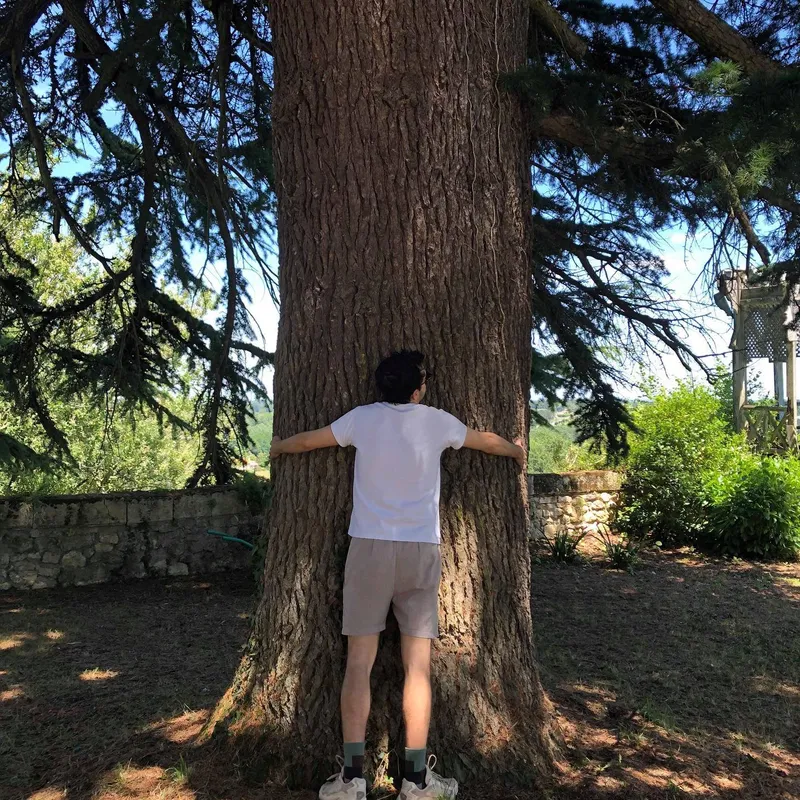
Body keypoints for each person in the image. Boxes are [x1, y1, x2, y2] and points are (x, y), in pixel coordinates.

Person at [270, 350, 526, 800]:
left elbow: (309, 441)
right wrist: (516, 450)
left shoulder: (361, 420)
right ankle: (416, 781)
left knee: (358, 665)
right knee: (418, 670)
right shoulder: (437, 421)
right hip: (419, 550)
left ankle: (351, 780)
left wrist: (278, 446)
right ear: (417, 387)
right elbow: (486, 441)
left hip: (368, 549)